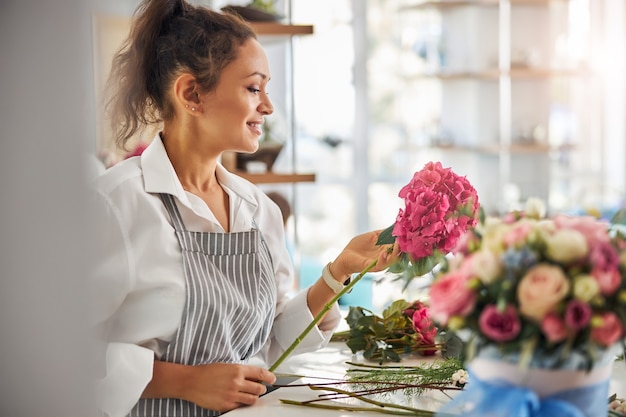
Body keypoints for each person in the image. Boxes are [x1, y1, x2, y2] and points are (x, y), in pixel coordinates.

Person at [90, 1, 398, 416]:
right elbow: (59, 350)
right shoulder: (114, 204)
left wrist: (338, 272)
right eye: (254, 88)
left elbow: (267, 344)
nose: (267, 107)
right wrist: (187, 382)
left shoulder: (258, 209)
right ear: (191, 94)